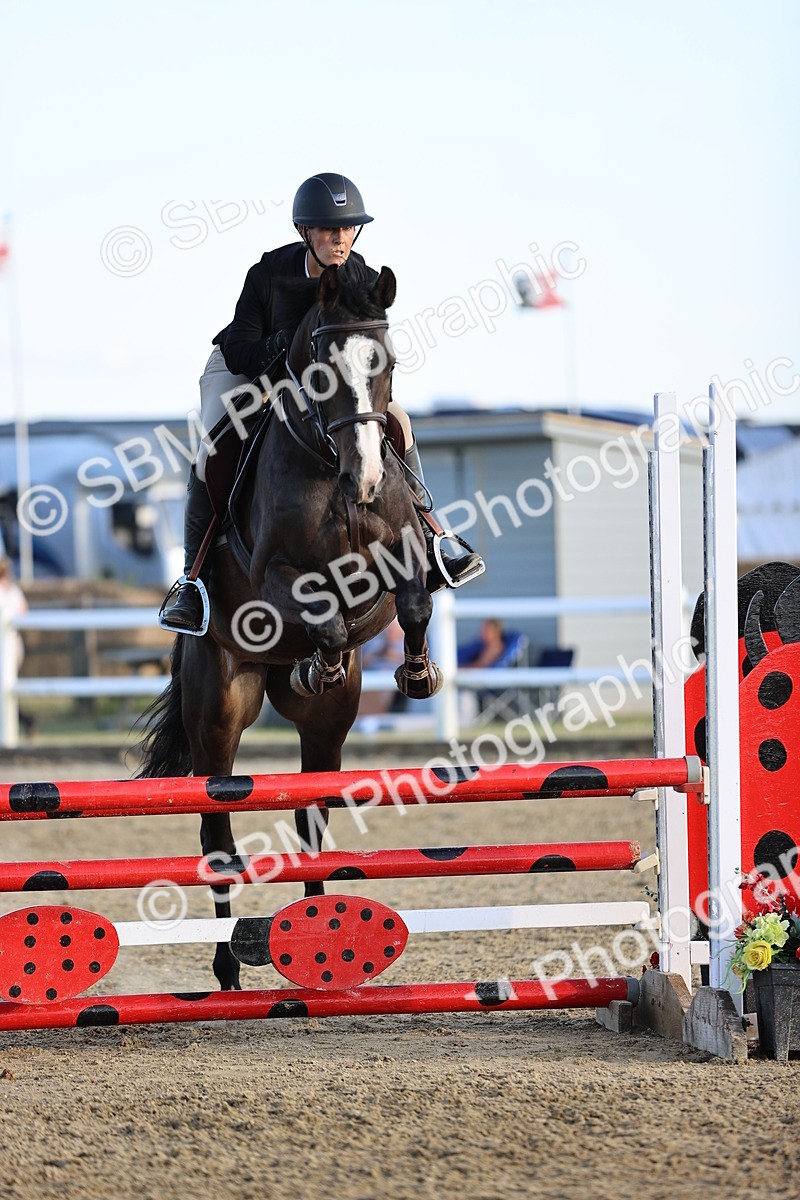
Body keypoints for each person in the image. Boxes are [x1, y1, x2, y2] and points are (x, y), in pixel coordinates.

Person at [161, 172, 484, 633]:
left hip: (323, 382)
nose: (340, 238)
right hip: (246, 370)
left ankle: (434, 537)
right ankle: (192, 583)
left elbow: (368, 354)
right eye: (330, 229)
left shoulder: (361, 276)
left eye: (349, 228)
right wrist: (290, 345)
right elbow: (240, 349)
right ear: (304, 233)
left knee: (399, 422)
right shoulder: (268, 274)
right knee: (213, 446)